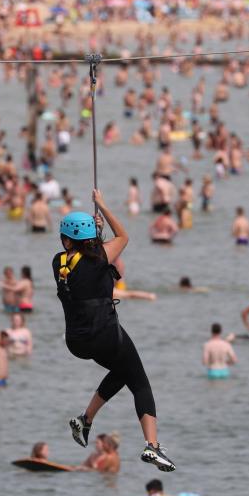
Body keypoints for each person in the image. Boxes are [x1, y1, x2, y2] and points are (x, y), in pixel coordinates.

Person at [56, 190, 174, 472]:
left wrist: (95, 235)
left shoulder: (58, 263)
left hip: (77, 342)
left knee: (123, 372)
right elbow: (124, 236)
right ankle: (152, 446)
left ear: (66, 240)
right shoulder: (99, 259)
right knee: (140, 382)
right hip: (106, 336)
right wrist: (104, 206)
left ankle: (84, 420)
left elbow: (83, 258)